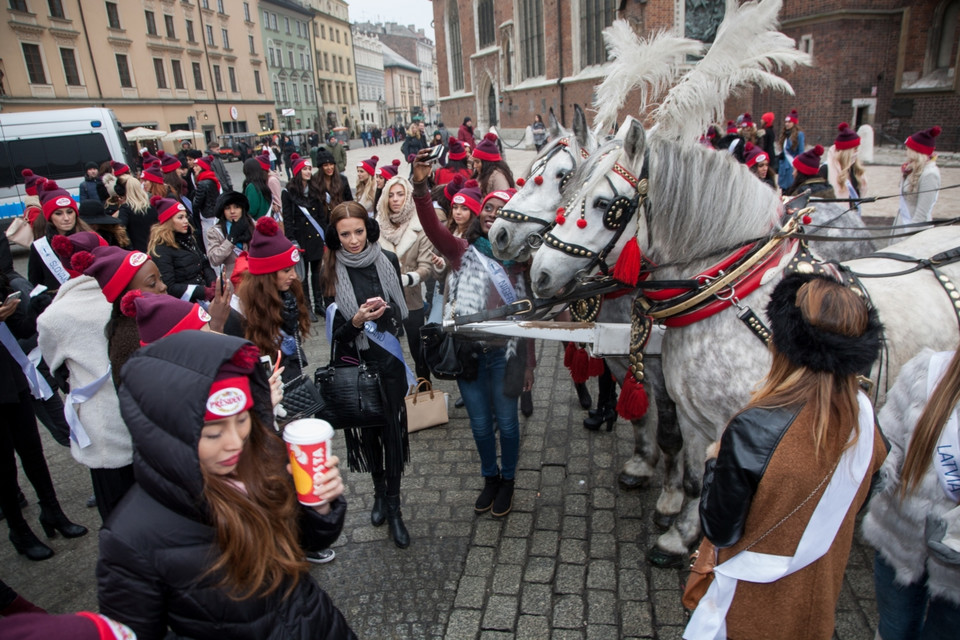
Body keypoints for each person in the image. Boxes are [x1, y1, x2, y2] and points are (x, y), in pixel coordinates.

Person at [97, 331, 354, 640]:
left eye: (242, 419)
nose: (235, 443)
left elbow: (307, 543)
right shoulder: (129, 538)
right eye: (213, 433)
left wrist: (319, 507)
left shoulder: (263, 461)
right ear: (170, 434)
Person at [688, 273, 887, 640]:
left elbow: (720, 528)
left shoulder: (754, 427)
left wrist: (715, 460)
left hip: (752, 606)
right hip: (819, 594)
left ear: (783, 342)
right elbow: (854, 502)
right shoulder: (866, 419)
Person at [412, 152, 534, 517]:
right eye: (489, 208)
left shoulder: (523, 263)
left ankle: (508, 480)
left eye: (501, 209)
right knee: (481, 426)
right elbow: (432, 227)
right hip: (469, 355)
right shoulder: (462, 251)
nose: (492, 213)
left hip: (507, 356)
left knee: (508, 424)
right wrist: (420, 186)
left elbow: (526, 320)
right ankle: (490, 478)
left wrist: (529, 365)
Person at [37, 241, 161, 522]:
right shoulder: (134, 293)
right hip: (146, 420)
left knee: (118, 516)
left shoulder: (56, 316)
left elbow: (54, 364)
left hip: (104, 427)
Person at [322, 201, 412, 548]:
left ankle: (395, 507)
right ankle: (377, 493)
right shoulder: (328, 269)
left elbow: (400, 318)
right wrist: (357, 321)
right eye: (345, 234)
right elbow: (336, 336)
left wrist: (384, 315)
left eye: (359, 231)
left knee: (392, 436)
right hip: (356, 366)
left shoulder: (386, 260)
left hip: (387, 364)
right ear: (335, 235)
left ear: (368, 229)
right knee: (370, 437)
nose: (354, 240)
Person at [862, 347, 960, 639]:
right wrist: (872, 473)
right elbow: (888, 442)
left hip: (956, 571)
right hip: (899, 539)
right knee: (894, 629)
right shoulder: (926, 371)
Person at [0, 271, 88, 561]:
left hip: (13, 377)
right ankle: (19, 529)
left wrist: (32, 311)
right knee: (5, 465)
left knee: (33, 451)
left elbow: (21, 331)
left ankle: (52, 511)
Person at [376, 174, 435, 383]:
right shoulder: (377, 227)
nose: (395, 199)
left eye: (400, 194)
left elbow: (426, 267)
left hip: (411, 298)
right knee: (387, 352)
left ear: (408, 197)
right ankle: (396, 393)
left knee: (418, 350)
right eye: (390, 194)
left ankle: (424, 387)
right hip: (382, 300)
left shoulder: (419, 227)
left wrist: (408, 278)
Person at [239, 217, 311, 384]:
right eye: (286, 270)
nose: (293, 276)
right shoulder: (243, 312)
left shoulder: (289, 294)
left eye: (293, 268)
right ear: (267, 276)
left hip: (291, 377)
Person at [27, 180, 95, 292]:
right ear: (49, 217)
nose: (66, 218)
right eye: (58, 213)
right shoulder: (40, 247)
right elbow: (35, 285)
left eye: (70, 212)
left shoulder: (91, 239)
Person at [281, 153, 326, 318]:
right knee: (302, 274)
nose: (308, 172)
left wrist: (324, 232)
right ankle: (306, 306)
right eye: (304, 169)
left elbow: (321, 215)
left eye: (309, 169)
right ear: (297, 171)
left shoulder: (315, 189)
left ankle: (319, 304)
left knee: (316, 272)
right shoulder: (288, 192)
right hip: (300, 238)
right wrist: (291, 239)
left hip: (316, 237)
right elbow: (287, 218)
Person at [147, 196, 216, 303]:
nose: (186, 221)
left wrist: (213, 282)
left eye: (186, 217)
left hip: (203, 297)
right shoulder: (160, 249)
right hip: (185, 304)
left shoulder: (188, 238)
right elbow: (168, 286)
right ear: (169, 221)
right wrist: (202, 291)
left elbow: (204, 263)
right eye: (180, 217)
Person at [895, 126, 942, 227]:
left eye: (908, 149)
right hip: (902, 221)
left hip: (913, 227)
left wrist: (909, 234)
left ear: (915, 152)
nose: (906, 152)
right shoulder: (911, 168)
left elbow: (922, 212)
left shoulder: (930, 174)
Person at [207, 192, 255, 280]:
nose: (232, 211)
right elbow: (214, 259)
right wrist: (230, 240)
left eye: (236, 207)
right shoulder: (215, 232)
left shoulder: (253, 226)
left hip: (253, 277)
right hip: (232, 278)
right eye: (227, 208)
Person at [114, 172, 160, 253]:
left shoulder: (125, 209)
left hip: (139, 252)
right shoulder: (151, 207)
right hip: (156, 249)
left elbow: (120, 229)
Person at [826, 123, 867, 213]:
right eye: (855, 148)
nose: (857, 152)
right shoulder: (826, 169)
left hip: (853, 216)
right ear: (847, 152)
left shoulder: (855, 169)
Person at [192, 155, 223, 249]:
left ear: (203, 167)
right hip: (216, 214)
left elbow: (196, 203)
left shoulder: (202, 183)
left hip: (207, 217)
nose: (194, 168)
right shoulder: (213, 179)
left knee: (210, 244)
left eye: (196, 166)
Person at [778, 109, 805, 191]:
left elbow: (801, 151)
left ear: (794, 123)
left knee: (791, 188)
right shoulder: (785, 134)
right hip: (784, 166)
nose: (787, 124)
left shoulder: (799, 134)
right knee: (784, 190)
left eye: (789, 122)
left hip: (792, 165)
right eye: (786, 122)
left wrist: (799, 166)